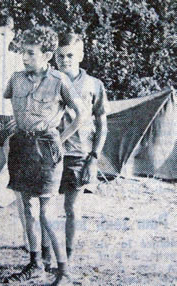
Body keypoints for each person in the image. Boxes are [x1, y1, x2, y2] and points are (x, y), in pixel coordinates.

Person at [3, 26, 85, 285]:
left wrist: (60, 138)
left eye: (30, 53)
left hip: (46, 148)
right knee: (26, 207)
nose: (24, 58)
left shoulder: (60, 80)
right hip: (21, 146)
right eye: (22, 53)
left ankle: (64, 271)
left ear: (47, 54)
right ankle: (35, 263)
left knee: (46, 213)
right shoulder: (16, 78)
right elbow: (10, 106)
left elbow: (81, 114)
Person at [55, 32, 108, 263]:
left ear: (80, 56)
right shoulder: (50, 80)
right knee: (45, 206)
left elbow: (102, 124)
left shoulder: (93, 85)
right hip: (51, 152)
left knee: (71, 207)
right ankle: (46, 254)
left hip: (78, 154)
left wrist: (94, 158)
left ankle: (68, 253)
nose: (65, 60)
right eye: (60, 56)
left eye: (70, 55)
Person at [0, 13, 29, 250]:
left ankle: (27, 236)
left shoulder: (18, 61)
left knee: (18, 183)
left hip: (12, 121)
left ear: (11, 36)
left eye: (3, 35)